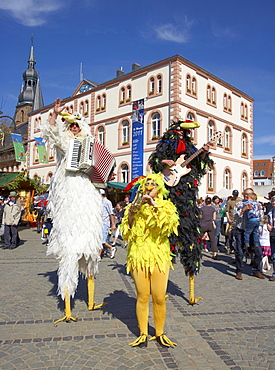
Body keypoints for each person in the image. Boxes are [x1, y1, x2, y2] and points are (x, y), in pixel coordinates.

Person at [41, 98, 104, 322]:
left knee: (90, 245)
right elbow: (51, 134)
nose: (74, 128)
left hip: (87, 194)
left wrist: (105, 176)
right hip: (69, 193)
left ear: (83, 127)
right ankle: (67, 308)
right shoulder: (65, 142)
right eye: (71, 125)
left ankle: (90, 301)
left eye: (77, 125)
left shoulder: (91, 144)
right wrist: (54, 115)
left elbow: (100, 172)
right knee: (69, 248)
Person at [121, 174, 179, 347]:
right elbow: (127, 232)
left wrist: (155, 207)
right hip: (138, 255)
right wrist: (131, 214)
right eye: (147, 183)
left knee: (159, 296)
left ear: (159, 188)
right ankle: (143, 333)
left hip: (159, 256)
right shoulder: (134, 206)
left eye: (154, 183)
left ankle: (160, 332)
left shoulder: (166, 206)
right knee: (143, 296)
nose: (150, 186)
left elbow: (168, 227)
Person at [148, 119, 214, 275]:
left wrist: (204, 152)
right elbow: (154, 161)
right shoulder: (166, 144)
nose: (181, 133)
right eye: (178, 130)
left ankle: (190, 263)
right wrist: (164, 161)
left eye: (183, 131)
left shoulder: (190, 148)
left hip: (186, 189)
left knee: (188, 225)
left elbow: (199, 165)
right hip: (168, 187)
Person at [233, 188, 264, 280]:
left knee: (258, 252)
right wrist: (243, 210)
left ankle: (256, 271)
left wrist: (258, 211)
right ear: (243, 195)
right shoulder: (239, 204)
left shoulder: (258, 204)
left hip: (253, 231)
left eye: (249, 194)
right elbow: (235, 216)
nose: (247, 196)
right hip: (241, 230)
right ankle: (239, 272)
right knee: (240, 252)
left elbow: (262, 217)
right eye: (246, 194)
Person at [100, 189, 117, 259]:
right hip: (100, 223)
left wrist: (113, 224)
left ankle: (111, 248)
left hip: (105, 223)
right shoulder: (99, 202)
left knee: (102, 241)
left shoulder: (107, 202)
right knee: (99, 241)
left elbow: (111, 213)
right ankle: (99, 256)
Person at [267, 195, 275, 281]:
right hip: (273, 233)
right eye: (273, 201)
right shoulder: (270, 212)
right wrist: (268, 225)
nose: (274, 203)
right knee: (273, 256)